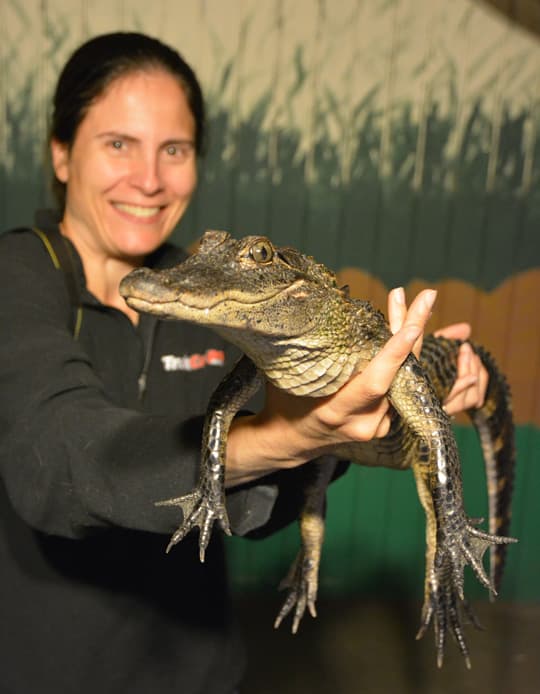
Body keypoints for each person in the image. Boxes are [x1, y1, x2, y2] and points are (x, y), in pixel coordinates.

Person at [0, 32, 487, 694]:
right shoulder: (18, 274)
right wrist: (294, 434)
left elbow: (260, 509)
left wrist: (366, 402)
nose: (149, 179)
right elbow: (59, 458)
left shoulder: (213, 284)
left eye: (174, 150)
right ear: (61, 154)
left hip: (201, 672)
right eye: (118, 143)